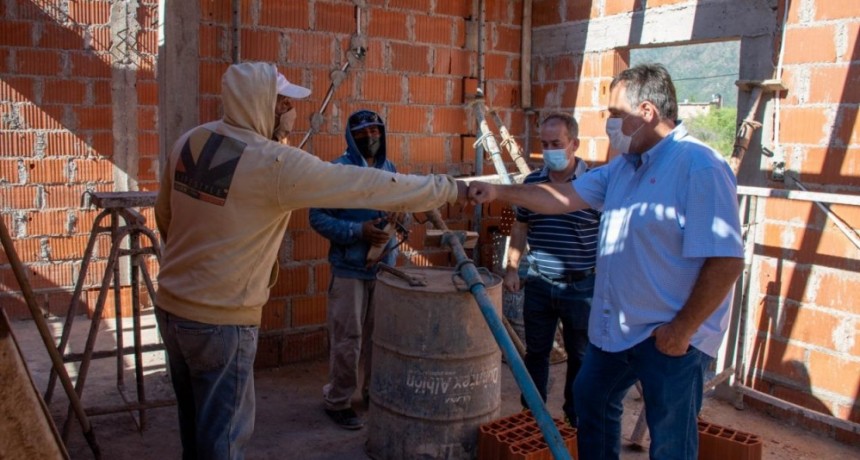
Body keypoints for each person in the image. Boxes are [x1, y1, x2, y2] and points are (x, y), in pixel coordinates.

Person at [154, 62, 467, 460]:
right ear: (261, 104)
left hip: (171, 307)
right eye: (283, 102)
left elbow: (165, 217)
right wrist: (450, 188)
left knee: (195, 425)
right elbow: (365, 185)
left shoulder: (191, 141)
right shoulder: (274, 163)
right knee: (223, 439)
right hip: (221, 320)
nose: (290, 111)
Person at [469, 63, 744, 460]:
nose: (610, 124)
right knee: (591, 396)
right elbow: (560, 198)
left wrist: (681, 329)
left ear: (647, 112)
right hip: (621, 328)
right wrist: (497, 191)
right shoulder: (623, 168)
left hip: (670, 334)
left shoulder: (699, 166)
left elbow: (726, 260)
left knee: (670, 438)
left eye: (616, 114)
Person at [308, 109, 407, 430]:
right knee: (347, 339)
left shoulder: (389, 168)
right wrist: (358, 231)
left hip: (383, 270)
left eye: (376, 131)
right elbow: (317, 218)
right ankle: (338, 401)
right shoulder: (337, 171)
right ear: (351, 137)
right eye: (364, 133)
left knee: (379, 339)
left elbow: (398, 211)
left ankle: (372, 394)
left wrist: (398, 224)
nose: (372, 137)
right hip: (349, 269)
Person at [503, 112, 600, 427]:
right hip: (540, 284)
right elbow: (520, 227)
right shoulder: (532, 183)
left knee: (581, 356)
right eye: (544, 144)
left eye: (556, 143)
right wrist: (512, 268)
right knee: (536, 354)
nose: (549, 150)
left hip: (581, 287)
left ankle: (574, 417)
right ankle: (532, 416)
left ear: (574, 143)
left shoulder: (594, 186)